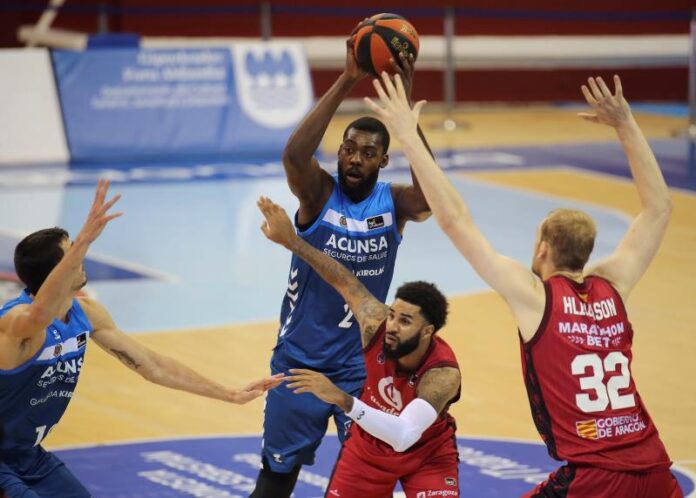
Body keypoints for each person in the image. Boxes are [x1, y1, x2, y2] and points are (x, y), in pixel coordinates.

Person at [364, 73, 683, 497]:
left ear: (543, 248)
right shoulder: (613, 287)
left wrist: (408, 134)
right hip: (655, 468)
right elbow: (659, 209)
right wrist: (626, 123)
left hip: (595, 477)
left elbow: (454, 220)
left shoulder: (537, 299)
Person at [0, 180, 284, 498]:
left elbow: (152, 365)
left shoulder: (86, 314)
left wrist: (229, 393)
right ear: (55, 273)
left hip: (27, 455)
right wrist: (86, 238)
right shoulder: (15, 322)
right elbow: (38, 315)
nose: (82, 254)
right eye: (73, 251)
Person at [249, 26, 433, 498]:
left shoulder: (394, 204)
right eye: (348, 149)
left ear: (383, 161)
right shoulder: (318, 194)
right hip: (300, 362)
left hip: (363, 367)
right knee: (274, 484)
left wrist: (404, 111)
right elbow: (294, 156)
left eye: (368, 154)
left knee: (367, 486)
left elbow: (433, 195)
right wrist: (348, 77)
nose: (354, 159)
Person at [258, 196, 461, 498]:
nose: (392, 326)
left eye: (405, 321)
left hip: (425, 453)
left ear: (427, 332)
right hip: (369, 451)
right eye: (393, 315)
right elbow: (343, 280)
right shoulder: (376, 324)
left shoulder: (442, 374)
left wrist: (342, 399)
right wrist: (292, 241)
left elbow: (404, 435)